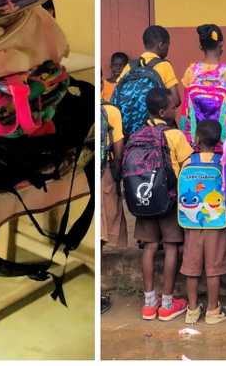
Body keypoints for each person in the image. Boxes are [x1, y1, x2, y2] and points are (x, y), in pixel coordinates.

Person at [136, 88, 191, 322]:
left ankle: (149, 304)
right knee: (171, 247)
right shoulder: (175, 135)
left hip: (144, 197)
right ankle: (167, 304)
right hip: (169, 199)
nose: (175, 110)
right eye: (172, 107)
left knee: (149, 247)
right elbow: (188, 166)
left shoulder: (137, 133)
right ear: (162, 111)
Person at [180, 120, 226, 325]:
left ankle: (192, 310)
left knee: (192, 267)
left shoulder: (187, 162)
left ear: (196, 139)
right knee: (213, 268)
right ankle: (213, 310)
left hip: (191, 222)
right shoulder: (222, 163)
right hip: (216, 222)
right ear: (219, 141)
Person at [100, 99, 127, 315]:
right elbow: (118, 148)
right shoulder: (111, 112)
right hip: (104, 173)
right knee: (102, 232)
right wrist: (117, 175)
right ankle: (98, 293)